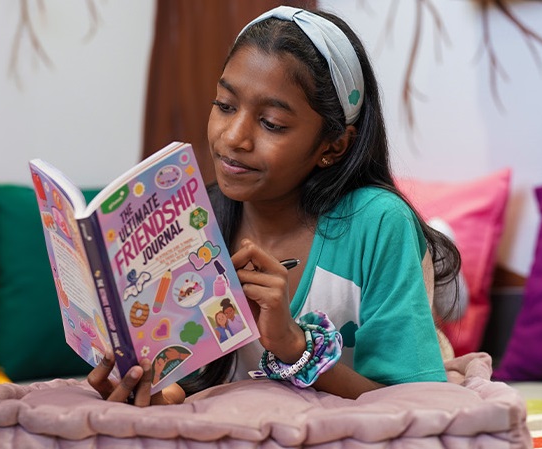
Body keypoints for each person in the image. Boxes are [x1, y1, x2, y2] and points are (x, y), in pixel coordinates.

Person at [88, 5, 461, 406]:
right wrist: (160, 396)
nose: (233, 137)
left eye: (272, 124)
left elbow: (414, 406)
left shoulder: (378, 223)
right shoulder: (199, 219)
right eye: (225, 105)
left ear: (333, 146)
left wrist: (294, 346)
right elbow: (196, 382)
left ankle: (443, 272)